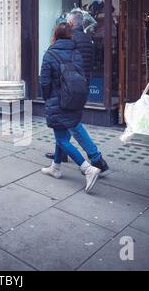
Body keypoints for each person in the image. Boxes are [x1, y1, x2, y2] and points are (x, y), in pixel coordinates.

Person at [45, 11, 109, 175]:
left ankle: (96, 159)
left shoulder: (72, 40)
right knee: (66, 122)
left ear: (72, 23)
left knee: (74, 126)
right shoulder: (88, 39)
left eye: (67, 21)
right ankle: (59, 158)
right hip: (82, 85)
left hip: (68, 88)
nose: (66, 23)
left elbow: (64, 65)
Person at [40, 23, 101, 193]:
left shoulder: (50, 54)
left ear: (56, 35)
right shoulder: (77, 53)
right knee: (62, 134)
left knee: (61, 139)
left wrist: (47, 98)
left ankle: (87, 169)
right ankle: (56, 167)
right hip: (74, 99)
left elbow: (44, 82)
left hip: (57, 100)